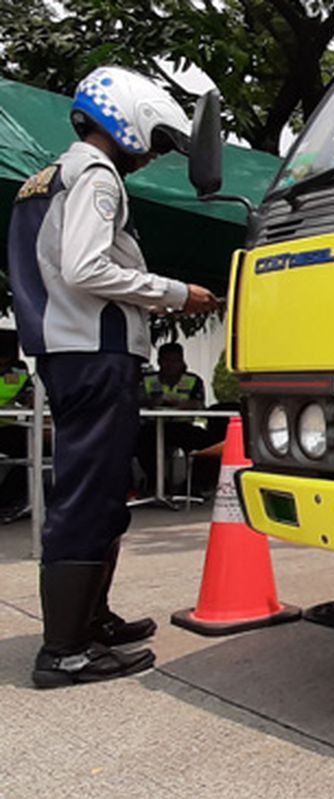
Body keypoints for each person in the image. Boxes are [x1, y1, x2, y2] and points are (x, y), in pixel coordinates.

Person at [6, 65, 221, 688]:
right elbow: (85, 267)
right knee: (88, 495)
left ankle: (91, 619)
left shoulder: (45, 176)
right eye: (154, 142)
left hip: (66, 348)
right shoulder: (96, 175)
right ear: (124, 119)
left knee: (100, 492)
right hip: (92, 349)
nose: (150, 158)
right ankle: (66, 651)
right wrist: (176, 293)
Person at [136, 342, 221, 492]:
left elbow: (199, 404)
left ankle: (194, 485)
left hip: (182, 427)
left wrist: (182, 403)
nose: (171, 365)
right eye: (166, 360)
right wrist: (153, 402)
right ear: (159, 361)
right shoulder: (147, 380)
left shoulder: (193, 380)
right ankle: (157, 484)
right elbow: (137, 401)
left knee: (211, 444)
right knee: (140, 442)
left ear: (182, 361)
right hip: (152, 427)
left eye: (175, 360)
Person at [0, 330, 33, 515]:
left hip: (6, 427)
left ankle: (7, 499)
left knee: (31, 449)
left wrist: (30, 398)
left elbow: (29, 393)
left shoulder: (18, 370)